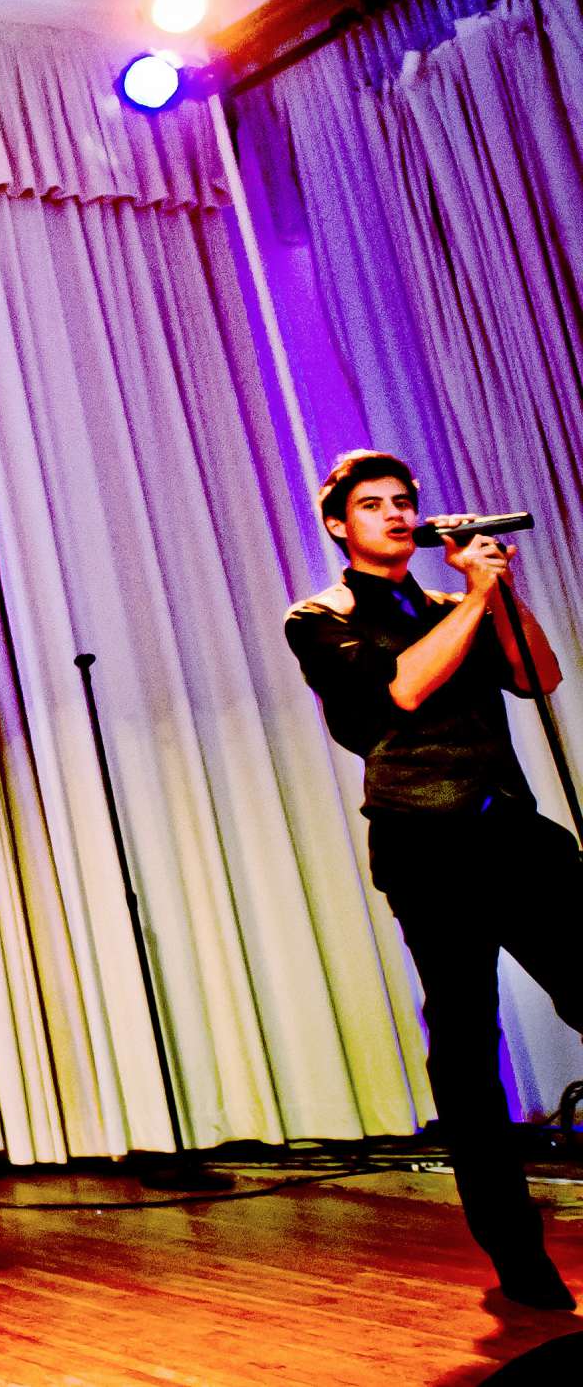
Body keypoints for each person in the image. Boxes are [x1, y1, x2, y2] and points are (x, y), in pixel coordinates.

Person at [284, 449, 575, 1311]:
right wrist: (477, 601)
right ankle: (517, 1252)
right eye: (373, 505)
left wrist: (496, 591)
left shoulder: (455, 603)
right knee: (467, 1044)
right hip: (426, 849)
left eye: (405, 501)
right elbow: (403, 689)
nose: (397, 515)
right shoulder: (318, 617)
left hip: (510, 829)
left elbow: (538, 676)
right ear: (340, 524)